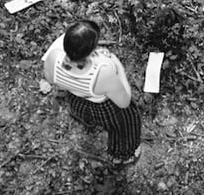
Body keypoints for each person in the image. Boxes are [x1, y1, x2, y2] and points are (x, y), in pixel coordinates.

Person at [42, 20, 142, 166]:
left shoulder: (53, 57)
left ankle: (89, 124)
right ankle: (123, 154)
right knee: (126, 122)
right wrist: (117, 65)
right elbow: (124, 101)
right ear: (91, 51)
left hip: (77, 99)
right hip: (104, 107)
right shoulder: (102, 74)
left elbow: (50, 78)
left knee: (85, 114)